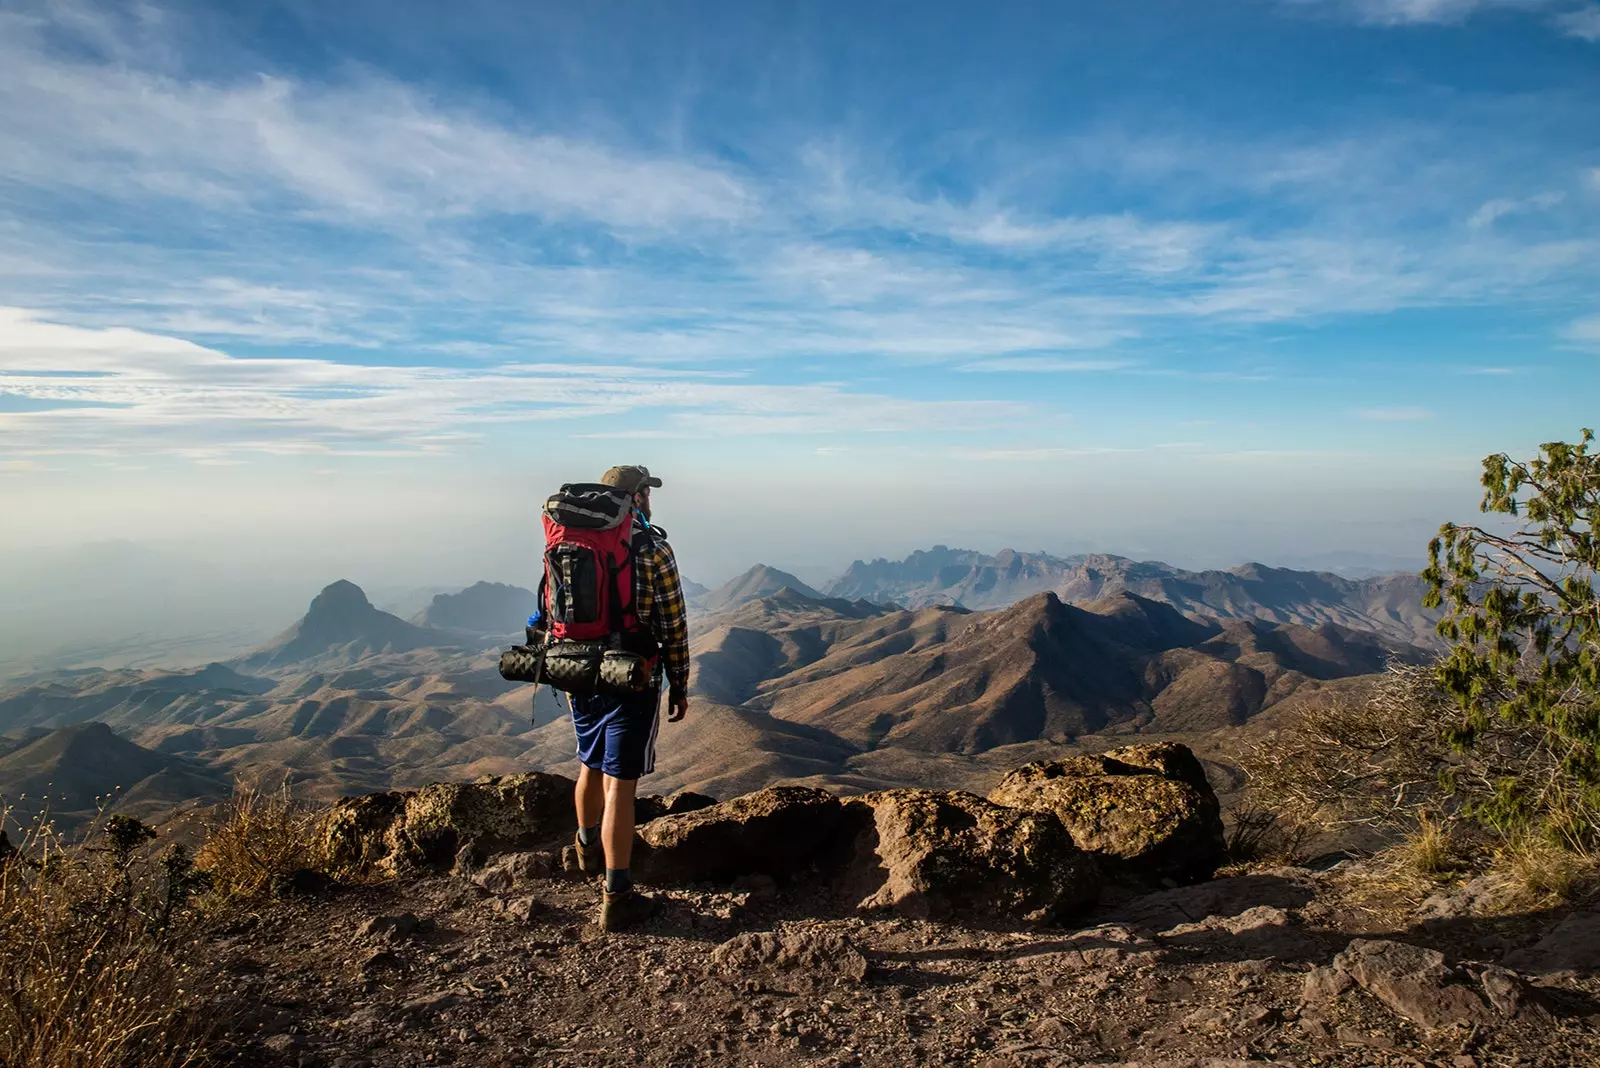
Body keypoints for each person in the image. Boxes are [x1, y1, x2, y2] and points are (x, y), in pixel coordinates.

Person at [567, 464, 690, 932]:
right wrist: (678, 682)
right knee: (621, 781)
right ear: (636, 498)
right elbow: (672, 623)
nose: (649, 499)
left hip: (578, 669)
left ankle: (585, 850)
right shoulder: (652, 548)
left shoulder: (572, 543)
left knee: (589, 763)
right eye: (645, 492)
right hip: (631, 673)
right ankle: (617, 896)